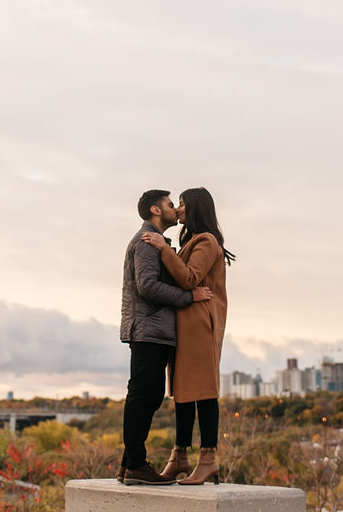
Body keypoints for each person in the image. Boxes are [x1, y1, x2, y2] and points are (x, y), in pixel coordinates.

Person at [119, 189, 213, 485]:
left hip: (155, 330)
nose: (176, 209)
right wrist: (188, 297)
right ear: (155, 210)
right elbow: (147, 286)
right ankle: (135, 463)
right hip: (148, 329)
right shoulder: (147, 241)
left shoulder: (157, 242)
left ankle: (129, 464)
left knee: (149, 395)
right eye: (171, 204)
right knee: (142, 395)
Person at [141, 187, 235, 485]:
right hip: (187, 324)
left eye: (182, 203)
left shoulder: (206, 241)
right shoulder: (192, 241)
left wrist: (162, 248)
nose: (178, 209)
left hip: (200, 326)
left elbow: (190, 277)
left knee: (203, 391)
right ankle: (180, 456)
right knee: (183, 391)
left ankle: (208, 459)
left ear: (194, 208)